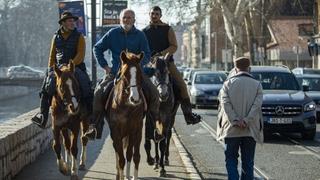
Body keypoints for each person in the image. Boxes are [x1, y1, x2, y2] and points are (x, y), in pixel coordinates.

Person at [84, 9, 162, 140]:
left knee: (154, 91)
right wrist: (104, 65)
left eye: (130, 17)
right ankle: (95, 127)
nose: (127, 20)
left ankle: (155, 128)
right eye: (124, 17)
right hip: (115, 72)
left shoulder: (140, 35)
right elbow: (97, 48)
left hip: (136, 73)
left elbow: (147, 54)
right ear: (120, 20)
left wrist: (137, 65)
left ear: (134, 20)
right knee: (98, 92)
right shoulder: (112, 33)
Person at [31, 11, 93, 128]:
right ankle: (42, 116)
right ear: (63, 23)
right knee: (46, 88)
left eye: (73, 21)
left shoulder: (79, 37)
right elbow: (52, 55)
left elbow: (80, 54)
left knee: (86, 88)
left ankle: (91, 119)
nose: (72, 23)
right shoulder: (56, 37)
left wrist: (70, 66)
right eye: (70, 21)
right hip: (58, 68)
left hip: (75, 67)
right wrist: (50, 69)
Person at [142, 6, 201, 125]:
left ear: (161, 15)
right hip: (150, 64)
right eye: (152, 13)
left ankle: (188, 115)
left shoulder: (168, 29)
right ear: (149, 15)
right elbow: (142, 48)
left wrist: (161, 54)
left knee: (182, 85)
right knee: (136, 84)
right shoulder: (143, 31)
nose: (154, 16)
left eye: (157, 14)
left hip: (167, 63)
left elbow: (174, 46)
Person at [216, 57, 263, 180]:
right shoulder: (257, 85)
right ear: (249, 68)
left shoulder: (227, 84)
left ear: (235, 69)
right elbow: (256, 106)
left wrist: (236, 120)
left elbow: (225, 104)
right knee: (248, 162)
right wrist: (246, 120)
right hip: (250, 129)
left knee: (231, 159)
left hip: (231, 129)